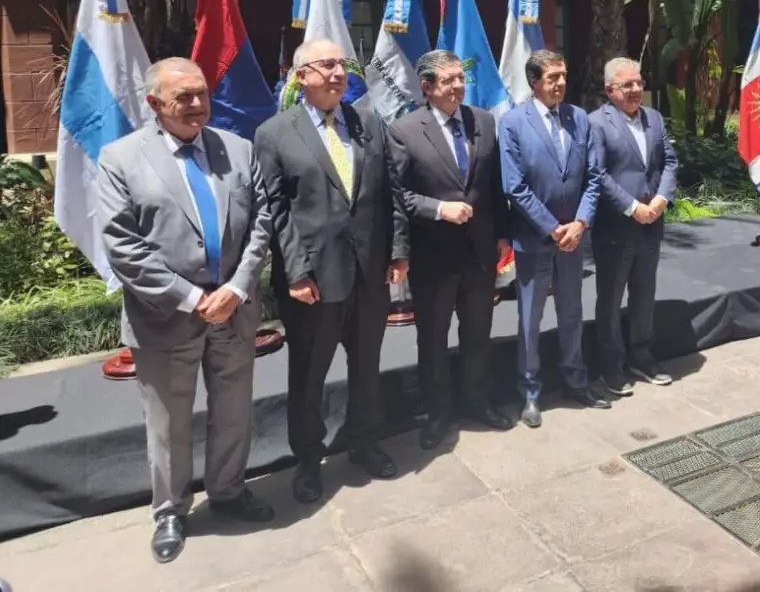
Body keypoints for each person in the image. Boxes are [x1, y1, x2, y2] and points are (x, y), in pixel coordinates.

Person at [96, 58, 274, 564]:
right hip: (166, 316)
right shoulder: (121, 158)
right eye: (184, 97)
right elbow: (123, 247)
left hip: (234, 309)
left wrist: (237, 289)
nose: (198, 104)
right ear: (154, 105)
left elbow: (262, 224)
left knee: (234, 408)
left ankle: (229, 490)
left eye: (202, 93)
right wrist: (195, 298)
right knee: (169, 421)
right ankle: (171, 510)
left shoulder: (237, 148)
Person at [255, 39, 406, 504]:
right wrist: (297, 272)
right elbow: (275, 211)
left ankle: (364, 441)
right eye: (327, 65)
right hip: (313, 284)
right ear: (301, 76)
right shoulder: (275, 133)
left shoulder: (369, 125)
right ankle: (307, 459)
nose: (338, 73)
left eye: (342, 64)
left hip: (370, 275)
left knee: (366, 366)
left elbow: (392, 194)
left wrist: (398, 250)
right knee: (308, 375)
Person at [388, 50, 513, 450]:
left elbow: (494, 185)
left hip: (479, 254)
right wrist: (439, 209)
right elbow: (396, 195)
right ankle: (439, 414)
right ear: (427, 87)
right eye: (448, 80)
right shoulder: (404, 130)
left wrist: (503, 235)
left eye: (461, 78)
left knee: (478, 334)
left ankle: (477, 402)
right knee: (434, 341)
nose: (458, 86)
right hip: (434, 257)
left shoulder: (484, 121)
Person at [499, 49, 605, 427]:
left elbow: (594, 177)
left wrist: (580, 223)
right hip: (535, 240)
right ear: (533, 82)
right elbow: (514, 186)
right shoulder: (512, 123)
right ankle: (530, 393)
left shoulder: (579, 119)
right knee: (530, 319)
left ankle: (576, 381)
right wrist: (552, 227)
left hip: (573, 240)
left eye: (562, 75)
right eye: (552, 77)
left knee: (573, 312)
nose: (560, 83)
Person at [588, 57, 678, 397]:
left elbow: (669, 161)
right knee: (610, 299)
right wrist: (631, 207)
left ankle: (642, 354)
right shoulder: (596, 123)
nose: (636, 90)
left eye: (639, 83)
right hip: (616, 228)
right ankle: (611, 365)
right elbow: (597, 173)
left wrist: (662, 199)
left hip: (652, 223)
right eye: (627, 85)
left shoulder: (653, 118)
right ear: (610, 90)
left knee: (644, 294)